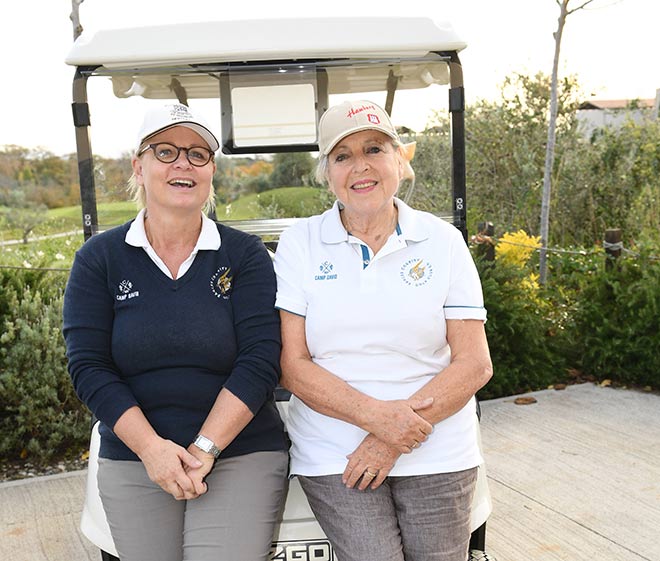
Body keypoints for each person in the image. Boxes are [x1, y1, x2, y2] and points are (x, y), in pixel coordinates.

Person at [63, 103, 288, 561]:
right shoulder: (99, 258)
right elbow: (89, 366)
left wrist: (204, 447)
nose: (183, 163)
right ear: (138, 166)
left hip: (240, 450)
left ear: (210, 173)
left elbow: (260, 360)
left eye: (198, 154)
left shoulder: (244, 255)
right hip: (135, 454)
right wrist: (152, 450)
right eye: (165, 151)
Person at [273, 100, 493, 561]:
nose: (361, 166)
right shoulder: (300, 243)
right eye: (343, 156)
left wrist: (391, 434)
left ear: (399, 159)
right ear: (327, 173)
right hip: (336, 453)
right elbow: (292, 366)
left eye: (374, 149)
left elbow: (474, 363)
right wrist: (379, 422)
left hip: (437, 446)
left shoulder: (443, 242)